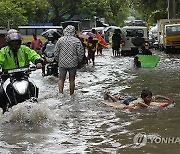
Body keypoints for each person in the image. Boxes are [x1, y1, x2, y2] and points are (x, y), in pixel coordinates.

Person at [0, 30, 43, 113]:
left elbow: (33, 55)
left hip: (24, 75)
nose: (15, 44)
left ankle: (35, 105)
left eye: (16, 42)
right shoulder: (3, 51)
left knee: (33, 86)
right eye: (13, 42)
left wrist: (38, 61)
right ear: (8, 42)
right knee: (1, 92)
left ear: (19, 41)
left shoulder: (25, 49)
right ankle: (5, 109)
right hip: (8, 77)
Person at [54, 25, 84, 96]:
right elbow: (80, 53)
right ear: (73, 31)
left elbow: (56, 52)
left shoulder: (60, 40)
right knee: (72, 80)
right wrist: (79, 61)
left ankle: (60, 93)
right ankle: (71, 95)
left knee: (61, 79)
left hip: (62, 63)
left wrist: (58, 60)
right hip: (73, 63)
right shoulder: (77, 41)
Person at [104, 89, 174, 109]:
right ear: (143, 98)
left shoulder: (149, 98)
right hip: (129, 102)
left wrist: (167, 99)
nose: (150, 99)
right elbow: (140, 103)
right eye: (148, 97)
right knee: (117, 102)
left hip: (133, 98)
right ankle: (108, 94)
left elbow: (158, 96)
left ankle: (116, 96)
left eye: (150, 97)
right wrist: (148, 107)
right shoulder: (141, 100)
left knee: (120, 99)